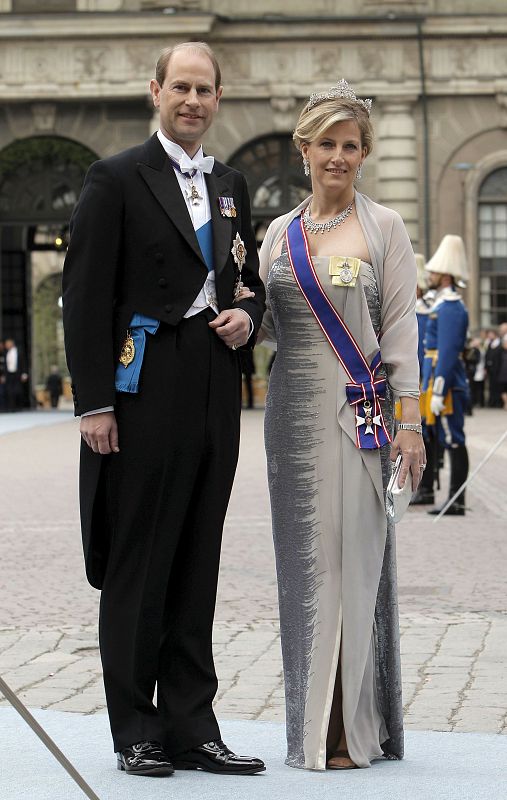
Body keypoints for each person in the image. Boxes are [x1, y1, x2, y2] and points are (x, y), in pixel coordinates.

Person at [62, 42, 266, 778]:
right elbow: (83, 298)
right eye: (179, 86)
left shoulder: (232, 181)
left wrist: (251, 317)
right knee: (139, 561)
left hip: (214, 382)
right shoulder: (113, 177)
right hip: (141, 385)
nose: (192, 100)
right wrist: (93, 403)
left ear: (218, 98)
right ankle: (136, 729)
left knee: (195, 561)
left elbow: (246, 280)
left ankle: (192, 724)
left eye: (204, 89)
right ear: (155, 91)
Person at [258, 80, 424, 771]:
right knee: (305, 571)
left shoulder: (384, 226)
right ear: (302, 149)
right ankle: (309, 726)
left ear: (363, 154)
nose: (337, 156)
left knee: (355, 565)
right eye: (324, 143)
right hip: (291, 418)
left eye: (349, 145)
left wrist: (410, 424)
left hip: (361, 419)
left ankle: (351, 731)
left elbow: (400, 332)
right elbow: (268, 326)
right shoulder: (277, 232)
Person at [419, 235, 470, 516]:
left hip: (448, 386)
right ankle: (451, 497)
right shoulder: (441, 305)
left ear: (446, 276)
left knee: (453, 438)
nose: (431, 275)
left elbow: (448, 353)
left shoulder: (451, 307)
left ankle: (457, 499)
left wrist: (438, 390)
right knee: (445, 437)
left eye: (436, 272)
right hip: (439, 382)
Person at [4, 338, 27, 412]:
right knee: (10, 391)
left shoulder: (19, 352)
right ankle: (11, 407)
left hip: (18, 374)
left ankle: (19, 406)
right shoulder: (6, 353)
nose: (6, 345)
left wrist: (24, 374)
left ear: (12, 343)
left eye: (8, 344)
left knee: (18, 391)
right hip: (9, 374)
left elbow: (23, 363)